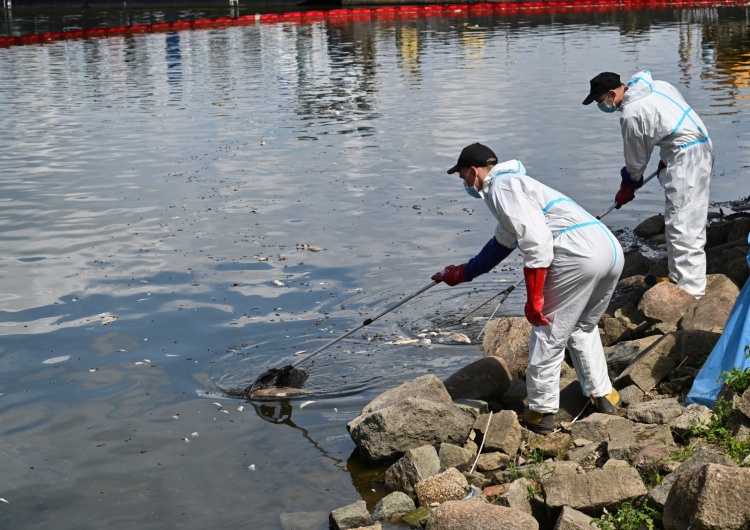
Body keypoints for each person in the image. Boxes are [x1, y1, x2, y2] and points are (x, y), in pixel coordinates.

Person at [432, 143, 623, 435]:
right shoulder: (517, 186)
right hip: (609, 252)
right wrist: (461, 273)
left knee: (547, 332)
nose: (465, 185)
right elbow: (500, 245)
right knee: (583, 326)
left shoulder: (501, 187)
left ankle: (541, 412)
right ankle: (604, 395)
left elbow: (536, 242)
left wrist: (535, 297)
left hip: (578, 256)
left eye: (463, 178)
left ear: (473, 171)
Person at [582, 70, 714, 297]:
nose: (601, 106)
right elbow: (671, 119)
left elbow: (636, 162)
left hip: (687, 159)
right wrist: (666, 157)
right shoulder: (658, 86)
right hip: (698, 144)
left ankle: (691, 292)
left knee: (683, 223)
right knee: (681, 220)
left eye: (601, 100)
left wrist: (628, 186)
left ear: (612, 93)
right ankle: (680, 278)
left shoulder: (632, 113)